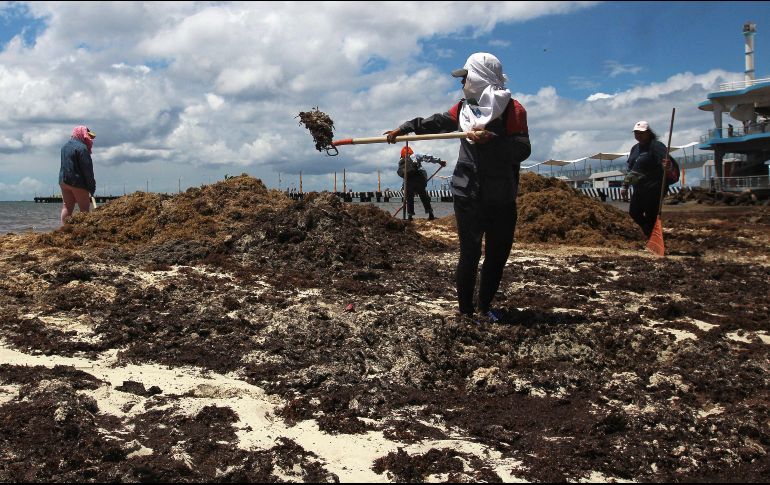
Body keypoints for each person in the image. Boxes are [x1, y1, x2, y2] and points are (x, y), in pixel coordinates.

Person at [384, 52, 531, 321]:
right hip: (467, 192)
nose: (462, 82)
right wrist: (404, 128)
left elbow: (522, 149)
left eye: (465, 77)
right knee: (469, 253)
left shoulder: (513, 109)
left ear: (480, 77)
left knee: (497, 254)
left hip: (501, 196)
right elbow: (437, 122)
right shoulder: (464, 109)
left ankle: (484, 308)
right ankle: (465, 311)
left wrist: (492, 140)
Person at [621, 120, 673, 239]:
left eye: (641, 133)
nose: (638, 135)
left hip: (654, 187)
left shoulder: (656, 146)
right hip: (639, 187)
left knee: (651, 214)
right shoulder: (635, 148)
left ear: (648, 133)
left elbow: (665, 162)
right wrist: (625, 185)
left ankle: (652, 238)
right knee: (634, 212)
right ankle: (650, 233)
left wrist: (667, 166)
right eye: (636, 133)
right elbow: (630, 169)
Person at [397, 146, 446, 221]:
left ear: (401, 154)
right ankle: (430, 214)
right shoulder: (415, 156)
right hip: (419, 180)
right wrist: (439, 161)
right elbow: (427, 157)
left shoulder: (401, 161)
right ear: (411, 152)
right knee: (423, 196)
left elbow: (404, 175)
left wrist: (403, 186)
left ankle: (410, 216)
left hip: (409, 182)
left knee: (409, 198)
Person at [59, 126, 96, 224]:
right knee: (84, 208)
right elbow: (87, 169)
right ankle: (85, 228)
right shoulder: (82, 148)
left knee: (67, 206)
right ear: (81, 134)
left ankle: (64, 228)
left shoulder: (64, 147)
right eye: (87, 136)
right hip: (77, 181)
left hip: (63, 181)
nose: (89, 139)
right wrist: (92, 186)